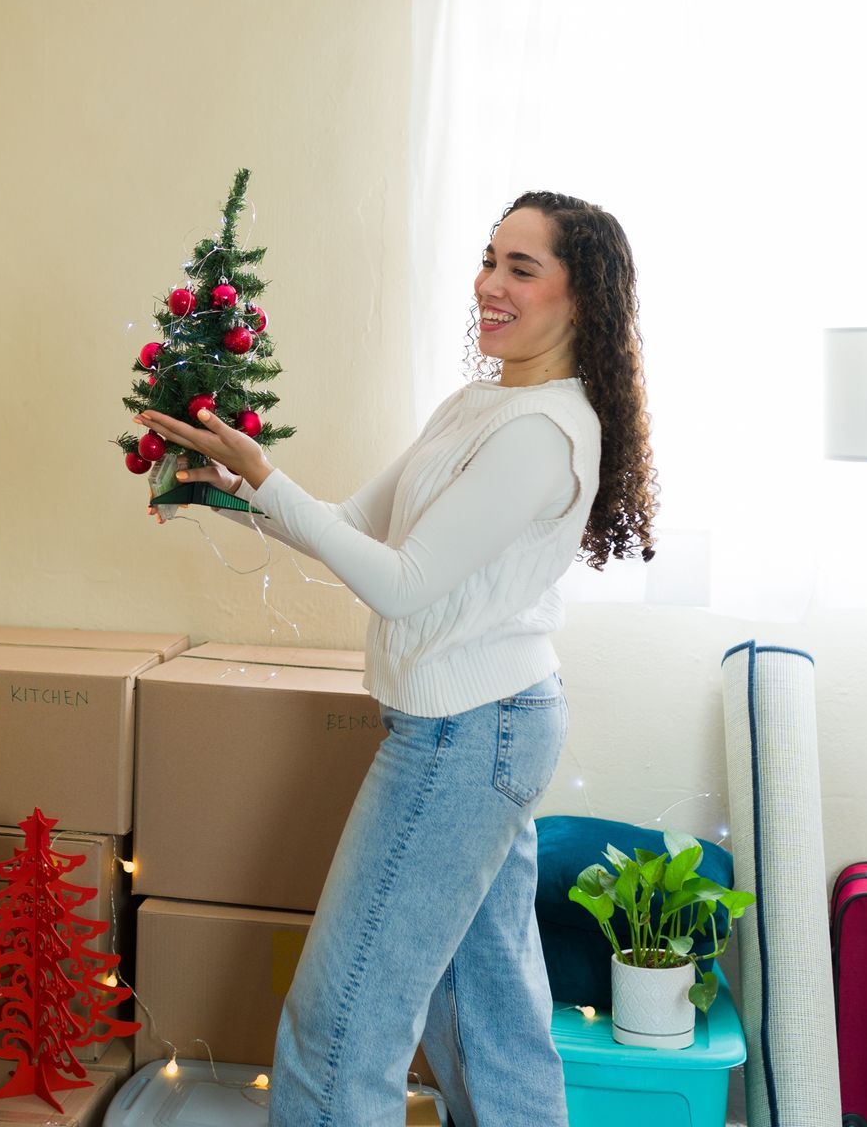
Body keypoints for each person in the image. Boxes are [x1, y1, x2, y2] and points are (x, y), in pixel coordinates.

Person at [136, 192, 657, 1126]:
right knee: (489, 1025)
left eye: (521, 268)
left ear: (585, 299)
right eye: (489, 259)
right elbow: (346, 527)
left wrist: (267, 477)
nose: (488, 285)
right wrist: (231, 487)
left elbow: (404, 583)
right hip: (479, 729)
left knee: (338, 1032)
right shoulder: (481, 406)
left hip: (469, 739)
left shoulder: (542, 433)